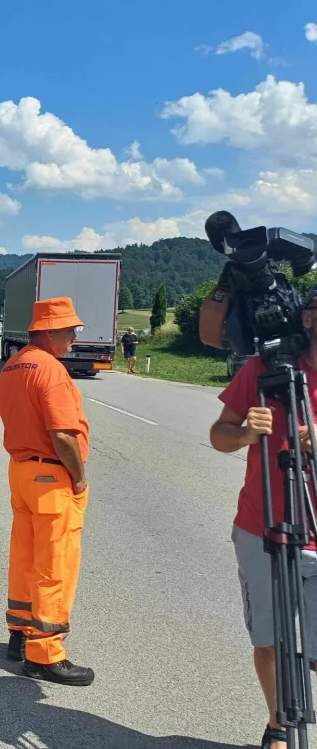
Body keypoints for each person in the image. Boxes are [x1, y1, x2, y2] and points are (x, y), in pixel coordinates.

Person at [208, 282, 317, 749]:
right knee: (270, 642)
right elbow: (219, 434)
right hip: (261, 525)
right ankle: (278, 723)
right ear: (309, 318)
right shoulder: (265, 367)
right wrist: (246, 433)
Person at [0, 297, 93, 687]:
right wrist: (79, 477)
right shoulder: (50, 370)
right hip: (52, 476)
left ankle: (20, 633)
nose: (74, 336)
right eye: (70, 329)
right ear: (49, 330)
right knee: (56, 563)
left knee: (25, 556)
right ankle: (46, 652)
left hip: (21, 471)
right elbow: (63, 434)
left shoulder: (14, 366)